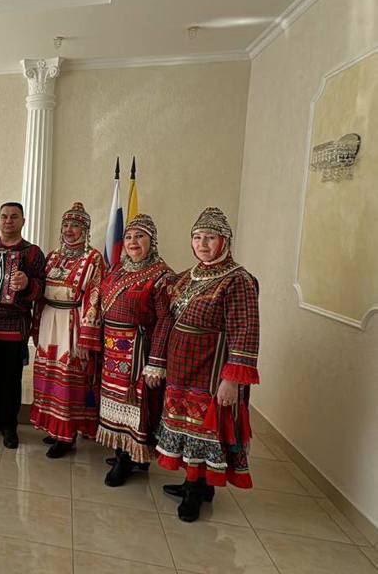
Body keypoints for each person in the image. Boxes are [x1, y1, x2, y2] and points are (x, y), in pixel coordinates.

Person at [157, 207, 260, 522]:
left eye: (210, 237)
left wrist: (232, 379)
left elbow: (245, 330)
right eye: (197, 237)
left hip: (211, 369)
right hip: (181, 367)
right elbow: (169, 309)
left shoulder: (238, 279)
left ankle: (195, 491)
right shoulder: (190, 275)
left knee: (205, 428)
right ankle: (197, 482)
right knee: (185, 425)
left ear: (225, 241)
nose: (202, 243)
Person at [96, 213, 173, 483]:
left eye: (139, 236)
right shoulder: (118, 269)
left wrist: (156, 361)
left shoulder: (162, 275)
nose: (132, 242)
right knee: (114, 401)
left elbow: (165, 320)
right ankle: (124, 450)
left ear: (152, 241)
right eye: (128, 237)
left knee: (136, 404)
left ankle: (126, 459)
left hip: (138, 350)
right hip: (112, 347)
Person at [30, 202, 104, 458]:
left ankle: (67, 435)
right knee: (48, 377)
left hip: (73, 323)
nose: (69, 230)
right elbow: (40, 291)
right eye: (66, 225)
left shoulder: (93, 258)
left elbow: (95, 299)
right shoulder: (52, 257)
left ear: (85, 230)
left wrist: (86, 338)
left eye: (75, 225)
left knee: (69, 381)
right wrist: (36, 323)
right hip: (49, 319)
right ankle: (53, 428)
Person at [0, 202, 45, 449]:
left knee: (11, 378)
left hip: (15, 326)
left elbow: (42, 289)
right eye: (4, 216)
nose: (8, 221)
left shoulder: (33, 252)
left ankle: (9, 426)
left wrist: (27, 283)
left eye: (14, 217)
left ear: (23, 221)